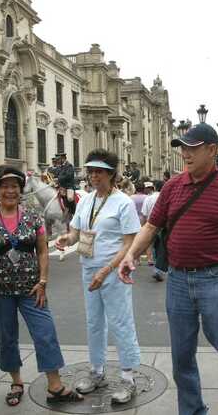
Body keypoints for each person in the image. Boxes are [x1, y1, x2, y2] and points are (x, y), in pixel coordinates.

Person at [119, 123, 218, 415]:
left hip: (216, 279)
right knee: (182, 358)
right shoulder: (173, 187)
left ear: (211, 150)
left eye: (193, 148)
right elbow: (151, 226)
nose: (186, 154)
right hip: (177, 280)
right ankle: (192, 410)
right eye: (184, 148)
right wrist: (131, 255)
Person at [0, 165, 83, 406]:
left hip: (32, 288)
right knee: (8, 337)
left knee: (45, 333)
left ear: (21, 190)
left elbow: (42, 252)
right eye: (5, 187)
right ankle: (16, 382)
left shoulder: (33, 216)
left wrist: (43, 281)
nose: (10, 191)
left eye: (15, 187)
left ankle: (55, 386)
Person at [55, 148, 142, 404]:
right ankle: (97, 371)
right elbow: (77, 232)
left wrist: (107, 270)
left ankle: (128, 377)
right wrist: (66, 239)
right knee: (94, 322)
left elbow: (129, 243)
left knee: (120, 321)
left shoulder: (123, 202)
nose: (93, 176)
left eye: (99, 171)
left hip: (113, 271)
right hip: (88, 267)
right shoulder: (86, 200)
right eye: (91, 171)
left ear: (111, 174)